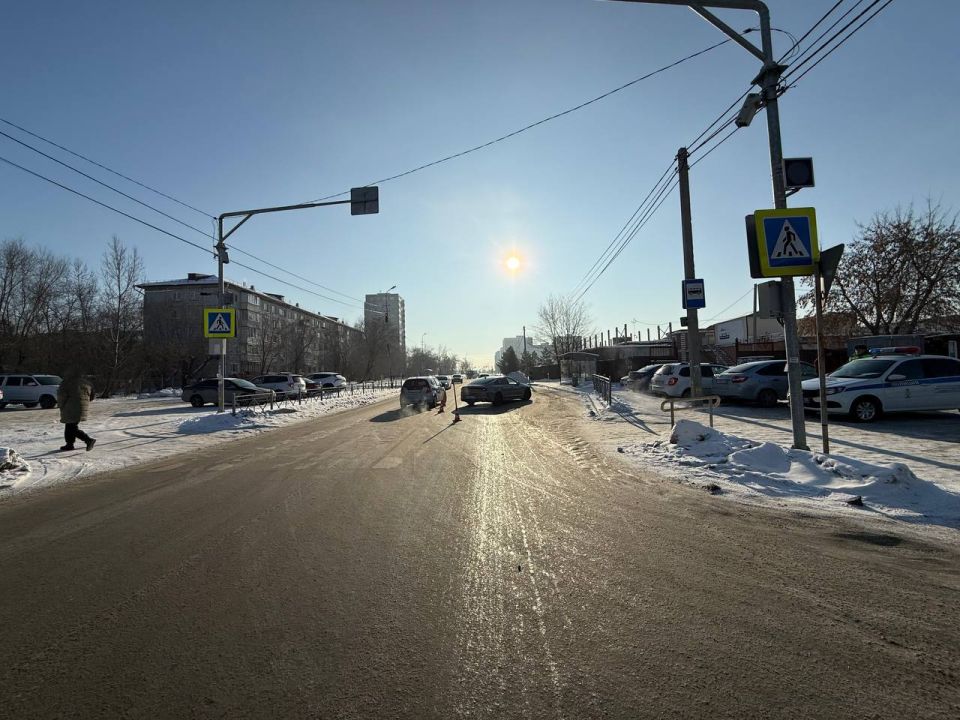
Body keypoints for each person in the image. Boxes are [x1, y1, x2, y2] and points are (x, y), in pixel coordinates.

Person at [57, 370, 96, 452]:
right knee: (70, 426)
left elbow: (61, 396)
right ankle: (69, 444)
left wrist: (61, 405)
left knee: (71, 427)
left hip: (70, 407)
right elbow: (92, 396)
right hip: (82, 407)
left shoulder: (66, 383)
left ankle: (88, 440)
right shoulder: (87, 383)